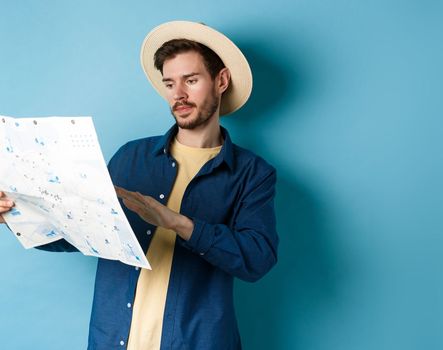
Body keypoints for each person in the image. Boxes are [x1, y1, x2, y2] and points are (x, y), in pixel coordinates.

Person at [0, 21, 279, 349]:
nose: (179, 94)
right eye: (170, 83)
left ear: (221, 81)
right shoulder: (131, 157)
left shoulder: (252, 173)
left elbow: (256, 259)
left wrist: (176, 223)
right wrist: (18, 216)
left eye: (191, 80)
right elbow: (83, 232)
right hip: (113, 339)